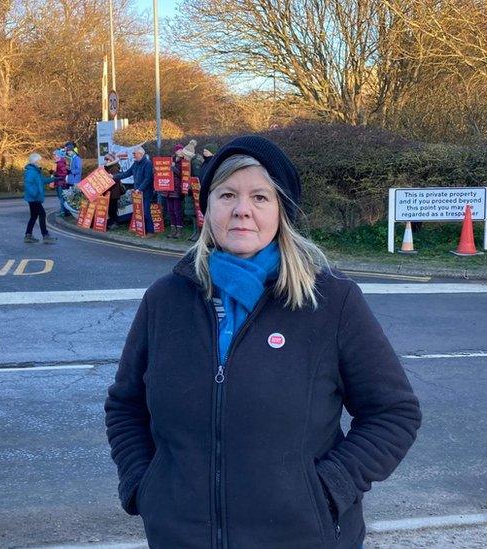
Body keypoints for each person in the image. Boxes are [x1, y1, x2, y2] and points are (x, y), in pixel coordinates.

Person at [105, 136, 420, 548]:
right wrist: (142, 486)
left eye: (260, 197)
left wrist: (327, 490)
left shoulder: (331, 302)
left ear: (281, 212)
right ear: (208, 207)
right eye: (227, 195)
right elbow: (125, 405)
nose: (242, 210)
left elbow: (394, 413)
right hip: (180, 536)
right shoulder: (165, 299)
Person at [112, 147, 155, 238]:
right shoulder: (135, 164)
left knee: (146, 212)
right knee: (140, 212)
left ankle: (150, 232)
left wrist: (140, 189)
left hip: (146, 192)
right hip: (137, 192)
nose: (133, 155)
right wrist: (113, 176)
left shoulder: (148, 164)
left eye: (134, 153)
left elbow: (148, 179)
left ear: (140, 154)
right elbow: (126, 174)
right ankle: (142, 231)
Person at [22, 153, 57, 244]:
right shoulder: (31, 172)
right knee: (42, 214)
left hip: (34, 198)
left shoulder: (36, 171)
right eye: (39, 160)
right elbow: (28, 185)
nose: (41, 162)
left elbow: (43, 181)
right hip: (34, 199)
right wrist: (35, 194)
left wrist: (54, 179)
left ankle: (28, 235)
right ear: (35, 162)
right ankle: (45, 236)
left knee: (34, 216)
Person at [164, 144, 186, 239]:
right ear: (176, 151)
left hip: (177, 189)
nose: (181, 152)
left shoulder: (184, 161)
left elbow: (183, 175)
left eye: (182, 150)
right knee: (170, 211)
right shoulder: (170, 160)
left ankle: (179, 231)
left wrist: (174, 168)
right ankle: (173, 231)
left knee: (177, 211)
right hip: (168, 188)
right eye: (179, 150)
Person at [103, 154, 125, 229]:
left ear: (111, 160)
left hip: (114, 192)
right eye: (105, 159)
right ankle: (112, 222)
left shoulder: (115, 167)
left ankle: (114, 223)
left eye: (107, 159)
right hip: (111, 191)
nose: (106, 161)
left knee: (113, 208)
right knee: (111, 208)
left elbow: (115, 179)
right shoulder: (109, 167)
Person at [52, 149, 69, 215]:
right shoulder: (57, 163)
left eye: (54, 155)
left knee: (61, 197)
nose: (53, 156)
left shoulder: (60, 163)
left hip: (61, 183)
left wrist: (56, 174)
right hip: (59, 182)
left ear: (58, 155)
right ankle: (64, 210)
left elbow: (64, 173)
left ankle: (63, 211)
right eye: (53, 155)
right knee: (61, 197)